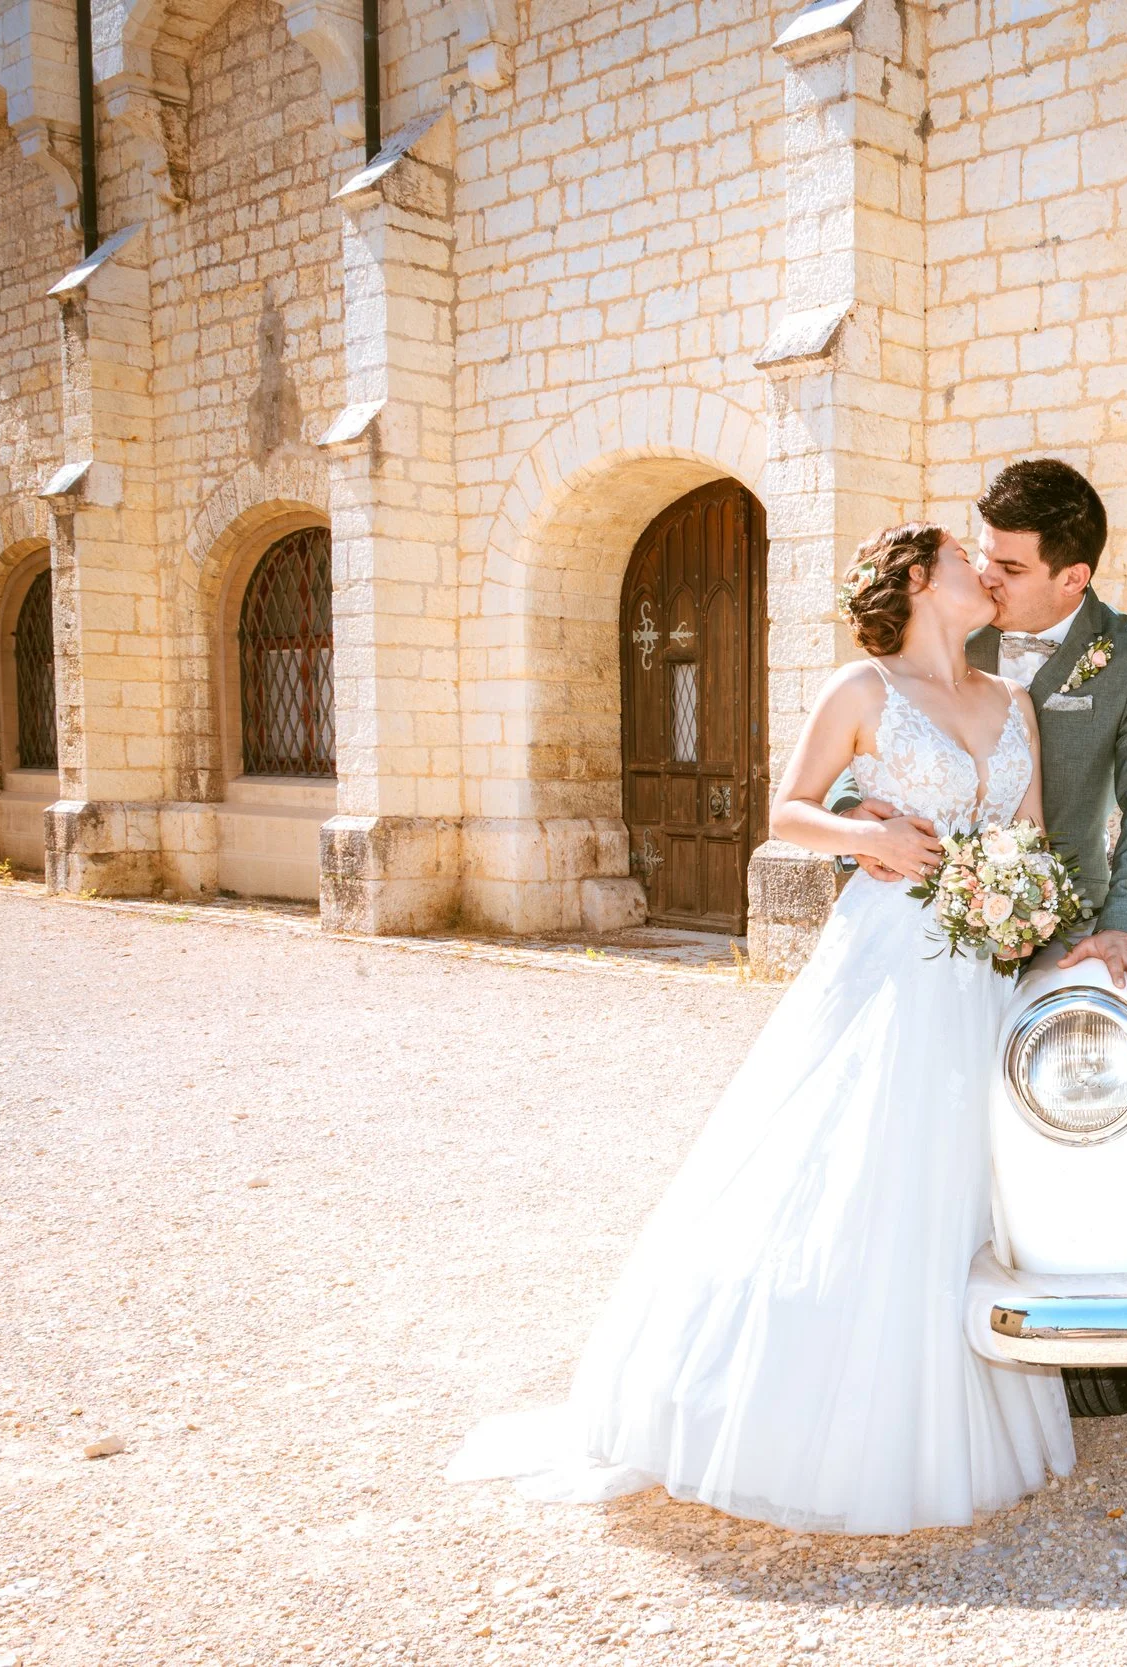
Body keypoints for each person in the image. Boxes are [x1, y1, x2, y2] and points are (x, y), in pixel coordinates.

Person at [446, 522, 1075, 1534]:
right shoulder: (861, 691)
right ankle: (797, 1410)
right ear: (920, 580)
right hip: (891, 956)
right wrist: (866, 834)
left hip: (984, 962)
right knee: (855, 1158)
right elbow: (786, 810)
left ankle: (944, 1399)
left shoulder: (1013, 701)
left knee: (964, 1173)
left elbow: (1032, 835)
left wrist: (1030, 907)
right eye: (966, 557)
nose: (986, 572)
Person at [841, 458, 1127, 1004]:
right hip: (915, 925)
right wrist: (850, 818)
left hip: (1063, 925)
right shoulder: (949, 623)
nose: (985, 576)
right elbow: (872, 727)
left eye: (1011, 567)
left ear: (1073, 577)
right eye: (981, 554)